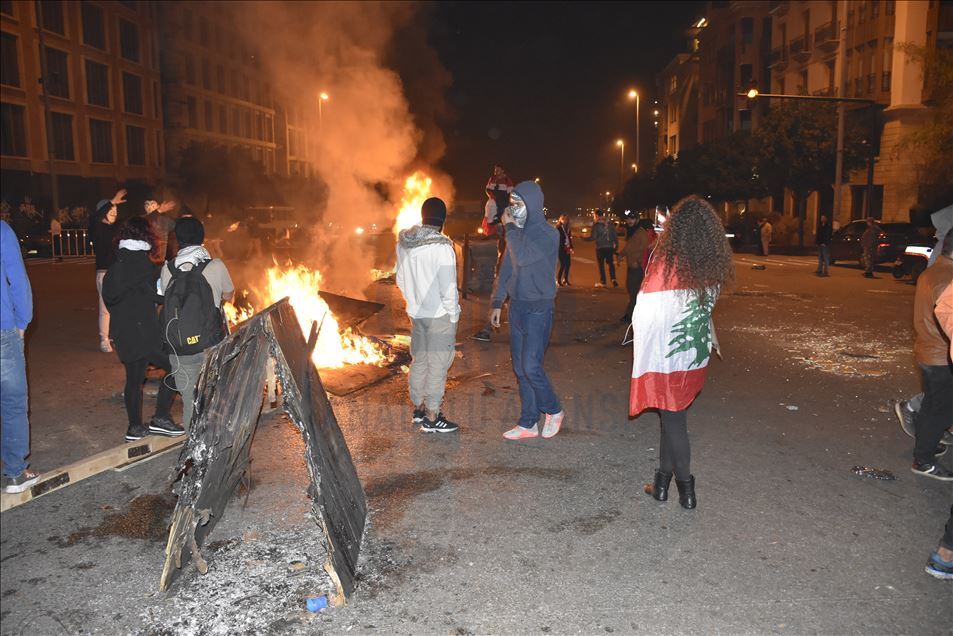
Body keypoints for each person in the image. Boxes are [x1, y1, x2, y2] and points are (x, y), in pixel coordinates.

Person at [632, 196, 735, 510]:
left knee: (674, 420)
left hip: (669, 354)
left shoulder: (667, 263)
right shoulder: (708, 263)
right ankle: (661, 484)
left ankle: (687, 492)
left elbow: (646, 309)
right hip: (693, 353)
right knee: (671, 414)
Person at [490, 180, 565, 440]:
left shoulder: (549, 234)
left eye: (519, 204)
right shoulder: (516, 233)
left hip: (539, 309)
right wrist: (498, 302)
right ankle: (528, 422)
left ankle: (553, 409)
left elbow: (522, 256)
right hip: (518, 307)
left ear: (533, 205)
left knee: (531, 365)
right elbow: (508, 267)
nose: (514, 210)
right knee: (521, 370)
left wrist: (510, 227)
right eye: (513, 205)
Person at [102, 217, 184, 442]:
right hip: (143, 334)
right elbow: (158, 295)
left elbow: (109, 299)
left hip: (123, 334)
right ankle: (161, 418)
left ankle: (135, 427)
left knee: (134, 379)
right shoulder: (146, 267)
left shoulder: (116, 267)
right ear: (146, 237)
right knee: (175, 367)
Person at [159, 217, 234, 430]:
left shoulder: (168, 269)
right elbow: (229, 295)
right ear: (202, 237)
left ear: (178, 239)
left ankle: (193, 451)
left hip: (179, 347)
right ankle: (216, 448)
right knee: (214, 397)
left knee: (190, 401)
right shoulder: (215, 266)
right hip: (210, 344)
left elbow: (165, 297)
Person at [395, 197, 461, 433]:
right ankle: (432, 417)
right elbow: (449, 289)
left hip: (417, 315)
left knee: (420, 360)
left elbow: (400, 280)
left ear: (423, 216)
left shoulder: (404, 243)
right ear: (442, 220)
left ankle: (419, 409)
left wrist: (412, 303)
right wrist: (453, 317)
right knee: (438, 365)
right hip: (440, 316)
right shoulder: (442, 247)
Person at [906, 229, 953, 481]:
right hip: (941, 355)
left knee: (933, 407)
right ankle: (923, 459)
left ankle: (926, 445)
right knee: (941, 411)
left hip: (927, 349)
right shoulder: (949, 279)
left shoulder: (933, 271)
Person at [1, 220, 39, 493]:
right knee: (13, 401)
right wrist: (23, 321)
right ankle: (15, 473)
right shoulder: (2, 230)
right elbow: (16, 277)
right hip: (2, 329)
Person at [89, 190, 126, 352]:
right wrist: (111, 202)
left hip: (118, 272)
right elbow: (95, 218)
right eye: (110, 210)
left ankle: (115, 336)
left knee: (120, 306)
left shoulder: (116, 229)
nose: (114, 213)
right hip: (104, 273)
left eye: (116, 211)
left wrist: (156, 212)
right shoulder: (96, 228)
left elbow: (136, 222)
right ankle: (104, 339)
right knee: (105, 307)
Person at [620, 213, 648, 322]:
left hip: (637, 267)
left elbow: (644, 249)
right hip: (631, 265)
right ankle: (631, 314)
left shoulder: (641, 233)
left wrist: (638, 261)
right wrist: (621, 254)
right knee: (631, 289)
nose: (629, 221)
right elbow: (629, 247)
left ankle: (630, 315)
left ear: (637, 220)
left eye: (632, 219)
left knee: (634, 291)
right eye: (628, 219)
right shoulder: (631, 231)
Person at [590, 209, 618, 287]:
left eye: (594, 216)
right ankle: (613, 279)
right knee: (611, 264)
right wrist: (616, 245)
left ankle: (603, 282)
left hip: (600, 248)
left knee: (601, 265)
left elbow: (593, 237)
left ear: (597, 215)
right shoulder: (609, 223)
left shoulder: (596, 224)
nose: (594, 217)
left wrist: (584, 239)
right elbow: (614, 235)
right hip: (609, 247)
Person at [144, 199, 176, 264]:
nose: (150, 208)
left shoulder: (165, 220)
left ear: (157, 206)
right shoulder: (141, 220)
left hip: (160, 261)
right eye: (147, 205)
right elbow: (147, 221)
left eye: (153, 205)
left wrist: (186, 220)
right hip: (145, 260)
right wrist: (158, 211)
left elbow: (178, 228)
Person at [556, 214, 573, 286]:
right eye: (563, 219)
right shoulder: (558, 228)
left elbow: (569, 238)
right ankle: (558, 280)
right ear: (560, 219)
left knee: (568, 264)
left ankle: (565, 279)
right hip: (561, 248)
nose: (565, 221)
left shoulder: (567, 228)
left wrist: (571, 247)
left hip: (567, 248)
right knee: (563, 264)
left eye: (566, 219)